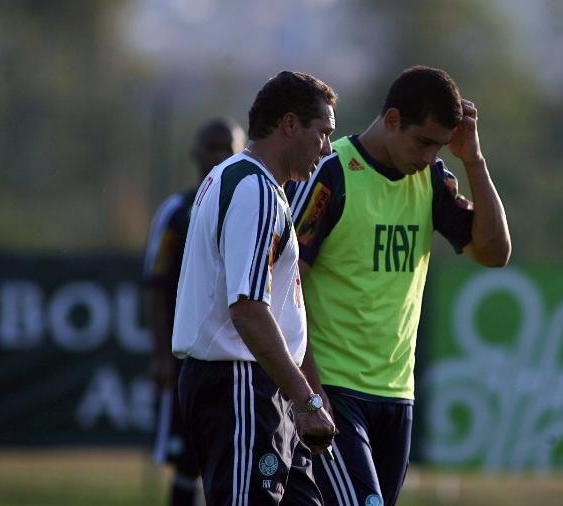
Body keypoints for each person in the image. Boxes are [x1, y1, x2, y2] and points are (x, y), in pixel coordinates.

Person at [286, 65, 511, 506]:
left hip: (396, 395)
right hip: (334, 390)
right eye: (423, 141)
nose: (429, 156)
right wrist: (309, 393)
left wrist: (473, 160)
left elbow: (494, 252)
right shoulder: (333, 175)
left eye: (439, 145)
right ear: (392, 120)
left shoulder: (430, 180)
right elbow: (284, 286)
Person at [172, 71, 339, 506]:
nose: (326, 150)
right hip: (240, 386)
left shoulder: (239, 179)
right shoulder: (255, 189)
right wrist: (305, 400)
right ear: (288, 124)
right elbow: (247, 309)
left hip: (258, 387)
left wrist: (307, 389)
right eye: (322, 134)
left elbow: (282, 306)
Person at [144, 117, 246, 506]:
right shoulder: (178, 211)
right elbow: (153, 284)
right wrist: (159, 354)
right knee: (187, 461)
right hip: (186, 358)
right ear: (196, 154)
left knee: (235, 460)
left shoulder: (252, 206)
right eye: (213, 147)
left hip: (237, 357)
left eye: (228, 147)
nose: (220, 155)